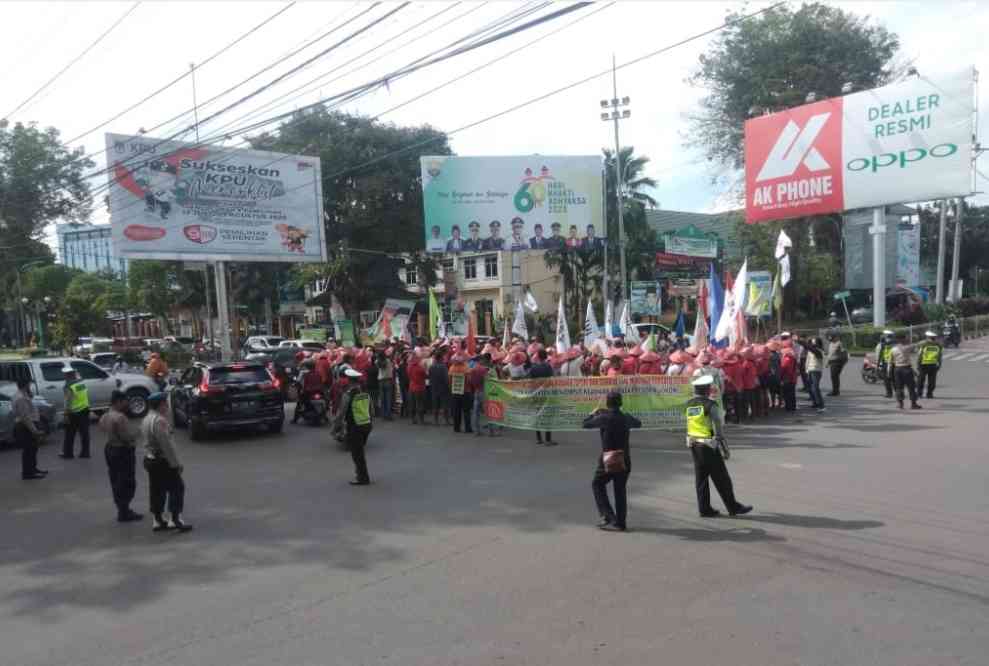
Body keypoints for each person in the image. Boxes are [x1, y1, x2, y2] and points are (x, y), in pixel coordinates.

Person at [685, 375, 752, 518]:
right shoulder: (710, 405)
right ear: (707, 390)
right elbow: (717, 423)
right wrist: (721, 440)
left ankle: (704, 508)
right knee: (722, 478)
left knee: (701, 478)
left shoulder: (689, 404)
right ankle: (733, 507)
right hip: (708, 445)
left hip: (693, 444)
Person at [583, 391, 641, 532]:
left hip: (609, 459)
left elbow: (585, 424)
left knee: (597, 484)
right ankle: (621, 522)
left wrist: (593, 413)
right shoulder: (625, 417)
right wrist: (625, 415)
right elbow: (638, 423)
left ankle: (608, 515)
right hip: (624, 458)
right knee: (620, 490)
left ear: (607, 403)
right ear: (620, 403)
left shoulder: (604, 417)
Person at [142, 392, 192, 532]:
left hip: (150, 458)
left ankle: (157, 520)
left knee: (157, 489)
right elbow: (167, 445)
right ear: (161, 405)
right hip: (162, 460)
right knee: (177, 487)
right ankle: (175, 519)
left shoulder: (146, 418)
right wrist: (176, 464)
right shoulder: (159, 421)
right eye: (166, 403)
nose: (167, 406)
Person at [99, 390, 143, 522]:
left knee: (115, 480)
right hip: (122, 451)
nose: (126, 404)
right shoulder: (120, 417)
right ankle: (124, 511)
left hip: (110, 449)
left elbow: (102, 429)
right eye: (125, 401)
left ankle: (122, 509)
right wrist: (138, 432)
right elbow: (126, 437)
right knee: (127, 481)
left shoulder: (105, 416)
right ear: (118, 402)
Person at [336, 368, 373, 485]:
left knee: (357, 455)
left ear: (349, 381)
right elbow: (372, 411)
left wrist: (335, 428)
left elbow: (340, 414)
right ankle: (362, 476)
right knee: (360, 453)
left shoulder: (347, 395)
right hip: (367, 425)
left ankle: (362, 478)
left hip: (355, 427)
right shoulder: (366, 394)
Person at [13, 377, 47, 480]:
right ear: (25, 385)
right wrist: (35, 431)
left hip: (28, 425)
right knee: (29, 450)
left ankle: (33, 469)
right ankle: (28, 473)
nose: (30, 386)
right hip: (26, 427)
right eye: (29, 384)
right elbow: (25, 417)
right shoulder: (20, 398)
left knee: (33, 449)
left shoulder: (23, 395)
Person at [61, 367, 91, 459]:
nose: (64, 376)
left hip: (73, 413)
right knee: (84, 433)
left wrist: (66, 414)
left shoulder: (69, 386)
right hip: (85, 410)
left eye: (65, 375)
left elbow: (68, 401)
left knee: (69, 434)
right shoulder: (81, 383)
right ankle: (85, 453)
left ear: (67, 375)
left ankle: (68, 453)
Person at [528, 349, 555, 445]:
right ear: (546, 357)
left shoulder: (533, 368)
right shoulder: (548, 367)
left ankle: (539, 439)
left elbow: (530, 382)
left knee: (537, 416)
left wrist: (531, 394)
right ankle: (548, 439)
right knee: (548, 416)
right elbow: (552, 381)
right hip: (547, 394)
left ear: (538, 357)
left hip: (536, 394)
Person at [890, 332, 922, 410]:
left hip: (897, 369)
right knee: (911, 387)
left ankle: (900, 404)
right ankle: (913, 404)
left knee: (899, 387)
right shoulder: (906, 348)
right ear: (903, 339)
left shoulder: (893, 349)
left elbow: (891, 361)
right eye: (905, 338)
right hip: (906, 369)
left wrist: (889, 371)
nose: (907, 339)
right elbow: (917, 345)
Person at [448, 353, 473, 433]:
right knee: (466, 411)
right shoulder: (466, 368)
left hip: (455, 392)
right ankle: (467, 428)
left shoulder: (452, 368)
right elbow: (469, 380)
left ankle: (456, 428)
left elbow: (449, 380)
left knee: (456, 411)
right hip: (465, 392)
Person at [915, 330, 943, 399]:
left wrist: (917, 364)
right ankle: (929, 394)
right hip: (933, 365)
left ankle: (920, 394)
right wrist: (939, 364)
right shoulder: (938, 345)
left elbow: (919, 355)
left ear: (927, 337)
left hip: (923, 364)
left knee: (921, 380)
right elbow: (939, 356)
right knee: (931, 381)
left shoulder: (923, 344)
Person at [428, 351, 451, 425]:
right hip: (443, 388)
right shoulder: (443, 367)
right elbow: (446, 378)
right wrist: (449, 386)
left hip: (434, 387)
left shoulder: (431, 366)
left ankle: (436, 420)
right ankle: (446, 421)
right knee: (445, 405)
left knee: (435, 405)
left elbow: (429, 376)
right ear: (440, 358)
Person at [804, 337, 826, 412]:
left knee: (815, 388)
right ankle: (815, 402)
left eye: (814, 343)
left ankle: (821, 405)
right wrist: (806, 370)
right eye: (812, 342)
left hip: (816, 371)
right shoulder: (811, 351)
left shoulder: (819, 351)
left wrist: (802, 342)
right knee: (810, 387)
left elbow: (813, 350)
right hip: (810, 370)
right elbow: (808, 361)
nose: (813, 344)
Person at [407, 354, 428, 424]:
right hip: (420, 388)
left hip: (411, 387)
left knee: (413, 404)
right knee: (420, 404)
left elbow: (409, 376)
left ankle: (413, 419)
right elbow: (425, 376)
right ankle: (421, 420)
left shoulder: (409, 367)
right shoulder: (420, 368)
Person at [875, 330, 895, 398]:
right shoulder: (895, 344)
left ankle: (889, 393)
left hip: (886, 363)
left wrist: (877, 365)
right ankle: (899, 393)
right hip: (894, 364)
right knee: (895, 379)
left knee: (887, 380)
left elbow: (878, 356)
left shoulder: (881, 344)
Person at [376, 351, 395, 420]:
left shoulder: (377, 362)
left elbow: (379, 365)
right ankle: (388, 415)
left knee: (382, 398)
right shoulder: (388, 361)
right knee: (388, 399)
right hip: (388, 380)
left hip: (381, 381)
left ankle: (383, 415)